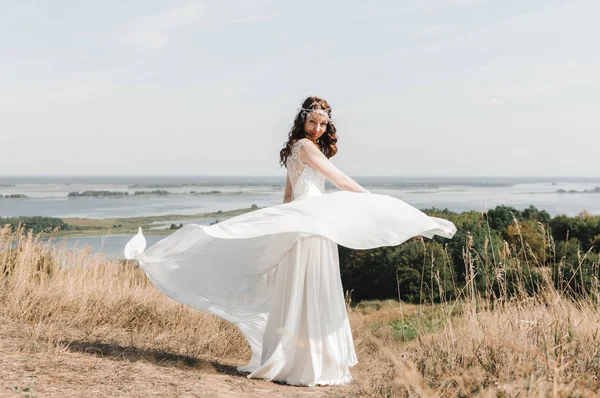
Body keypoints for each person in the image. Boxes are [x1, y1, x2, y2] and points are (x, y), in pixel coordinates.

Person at [124, 96, 456, 387]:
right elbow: (337, 180)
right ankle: (306, 364)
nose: (318, 128)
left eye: (323, 124)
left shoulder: (298, 150)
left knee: (305, 287)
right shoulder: (306, 147)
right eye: (313, 121)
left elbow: (288, 197)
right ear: (302, 121)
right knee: (310, 287)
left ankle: (299, 360)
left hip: (306, 223)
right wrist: (374, 200)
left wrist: (284, 227)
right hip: (310, 226)